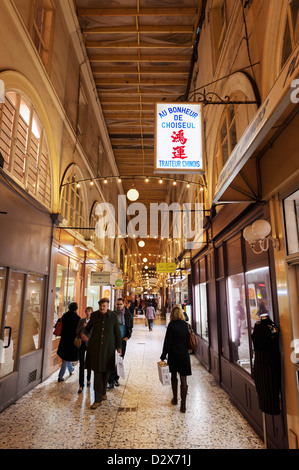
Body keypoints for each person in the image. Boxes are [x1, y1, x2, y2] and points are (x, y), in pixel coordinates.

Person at [81, 298, 122, 409]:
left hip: (108, 349)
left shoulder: (113, 316)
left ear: (108, 306)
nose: (102, 308)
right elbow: (87, 328)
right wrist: (83, 334)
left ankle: (103, 393)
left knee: (106, 372)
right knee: (98, 373)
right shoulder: (94, 315)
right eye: (100, 306)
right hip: (96, 349)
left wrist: (119, 346)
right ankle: (97, 399)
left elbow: (117, 332)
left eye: (104, 306)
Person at [160, 305, 191, 413]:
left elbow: (167, 342)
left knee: (174, 376)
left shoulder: (171, 326)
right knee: (184, 379)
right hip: (184, 355)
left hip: (173, 355)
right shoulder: (186, 325)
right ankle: (183, 405)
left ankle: (175, 398)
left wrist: (163, 356)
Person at [107, 298, 133, 389]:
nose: (119, 306)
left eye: (120, 304)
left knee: (120, 360)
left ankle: (116, 378)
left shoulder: (127, 314)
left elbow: (130, 326)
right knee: (111, 359)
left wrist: (128, 336)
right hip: (113, 339)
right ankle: (110, 380)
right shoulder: (113, 314)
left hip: (122, 340)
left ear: (124, 304)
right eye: (117, 304)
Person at [57, 302, 81, 382]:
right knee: (66, 358)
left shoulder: (65, 316)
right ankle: (60, 376)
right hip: (72, 341)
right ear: (76, 308)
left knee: (66, 357)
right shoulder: (77, 318)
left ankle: (71, 370)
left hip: (64, 340)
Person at [76, 306, 93, 394]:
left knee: (89, 362)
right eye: (86, 311)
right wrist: (82, 327)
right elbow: (77, 331)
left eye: (89, 311)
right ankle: (81, 384)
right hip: (82, 344)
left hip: (89, 344)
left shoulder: (93, 321)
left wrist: (88, 337)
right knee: (81, 364)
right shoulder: (81, 320)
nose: (88, 313)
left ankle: (89, 379)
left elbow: (94, 332)